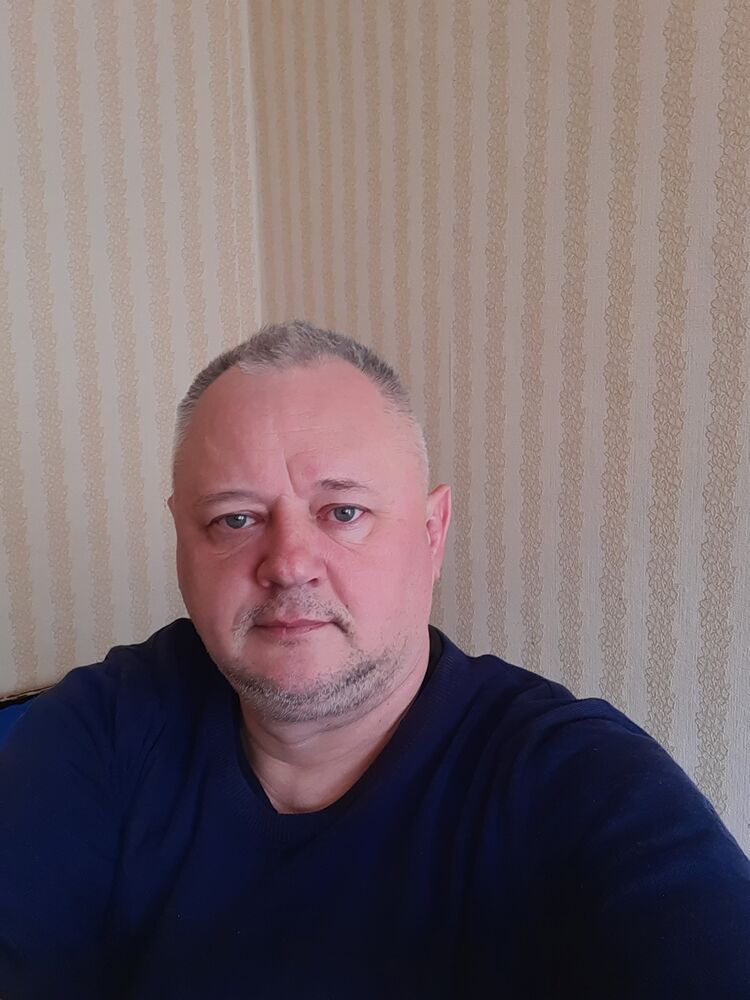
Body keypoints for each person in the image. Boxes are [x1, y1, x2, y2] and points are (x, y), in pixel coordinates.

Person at [1, 320, 749, 999]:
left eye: (344, 511)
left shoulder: (575, 778)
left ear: (432, 533)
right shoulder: (98, 729)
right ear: (180, 540)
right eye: (235, 518)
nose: (289, 563)